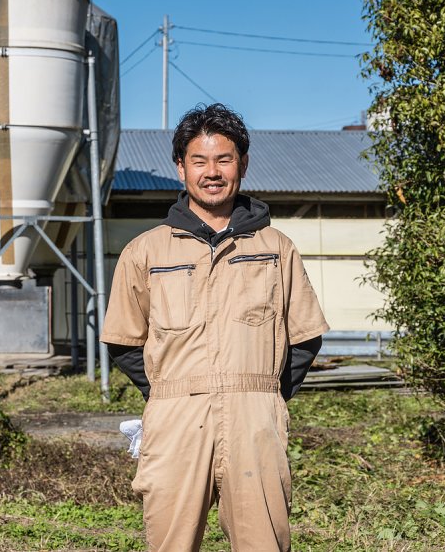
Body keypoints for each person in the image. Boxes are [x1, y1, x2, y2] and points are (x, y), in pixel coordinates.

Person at [101, 104, 328, 551]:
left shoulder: (275, 248)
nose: (212, 172)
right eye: (199, 160)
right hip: (175, 419)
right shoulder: (145, 252)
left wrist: (266, 396)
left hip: (256, 419)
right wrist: (170, 396)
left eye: (224, 159)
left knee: (264, 543)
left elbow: (305, 336)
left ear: (242, 163)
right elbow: (123, 341)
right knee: (171, 543)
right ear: (180, 167)